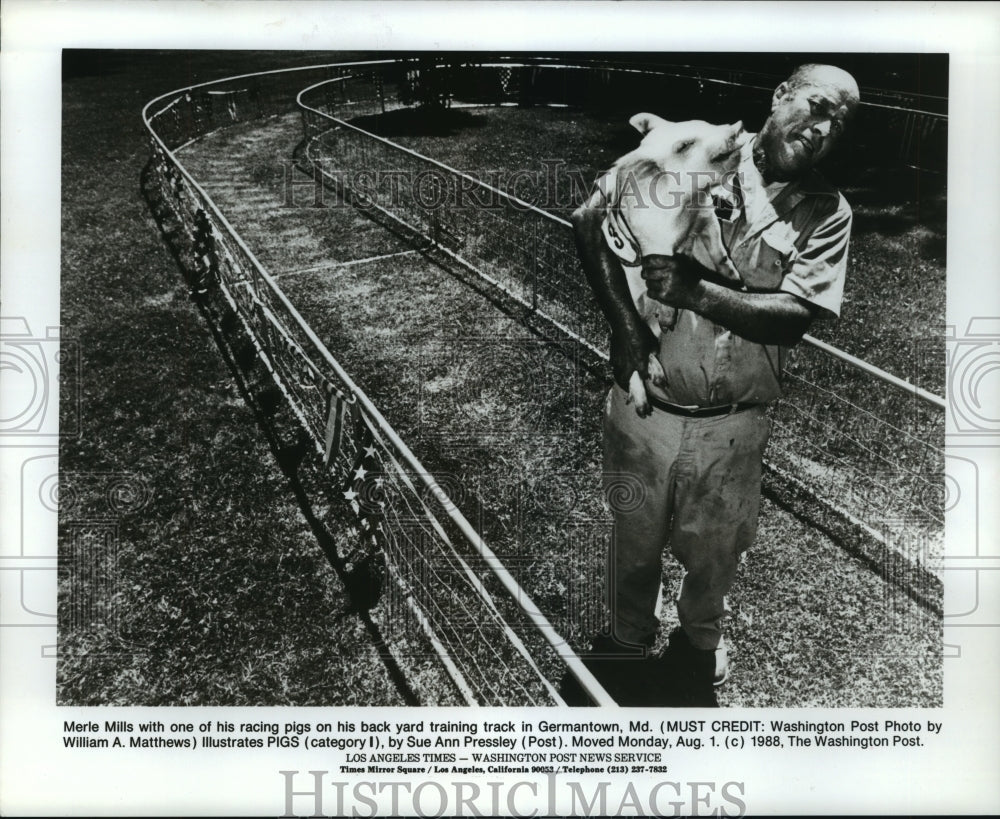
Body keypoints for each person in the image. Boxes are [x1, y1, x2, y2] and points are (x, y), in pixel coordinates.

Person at [572, 64, 860, 689]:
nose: (822, 126)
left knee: (717, 548)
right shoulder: (700, 144)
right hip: (645, 405)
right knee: (633, 533)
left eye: (838, 121)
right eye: (816, 105)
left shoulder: (826, 211)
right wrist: (626, 326)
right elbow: (589, 218)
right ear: (781, 94)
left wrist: (695, 291)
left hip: (735, 425)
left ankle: (699, 642)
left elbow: (793, 317)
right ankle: (627, 635)